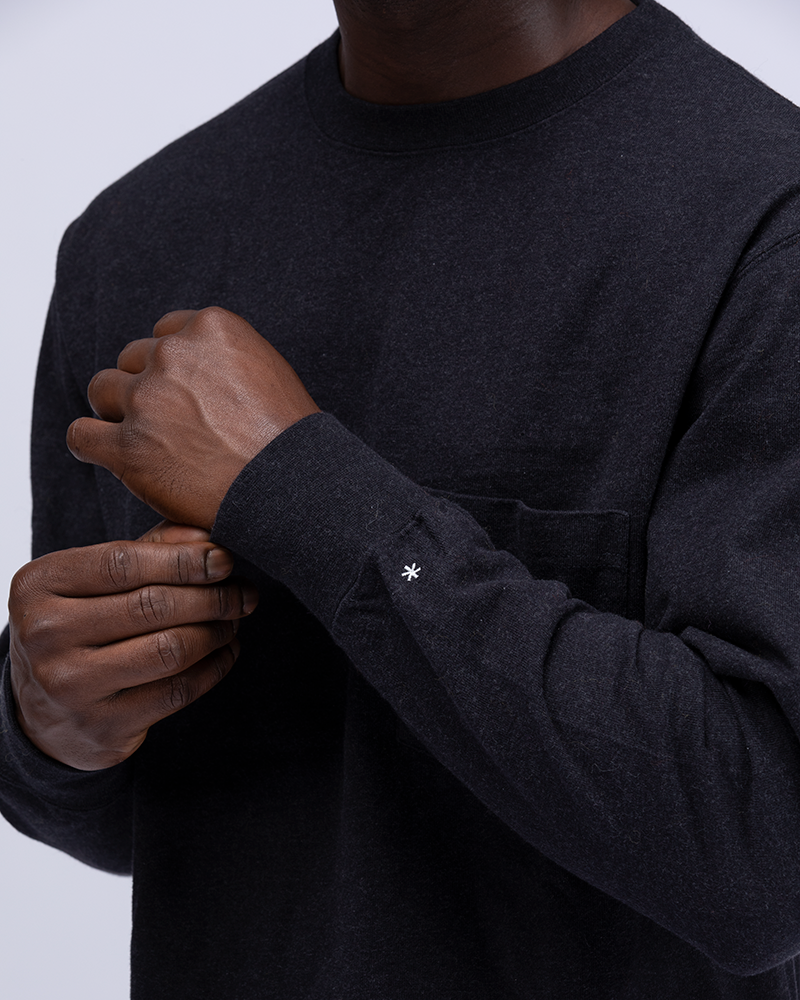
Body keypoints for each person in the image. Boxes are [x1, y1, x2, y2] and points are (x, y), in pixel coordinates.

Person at [3, 0, 800, 995]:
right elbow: (162, 820)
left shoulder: (765, 225)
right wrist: (47, 730)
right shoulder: (133, 238)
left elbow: (762, 859)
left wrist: (304, 490)